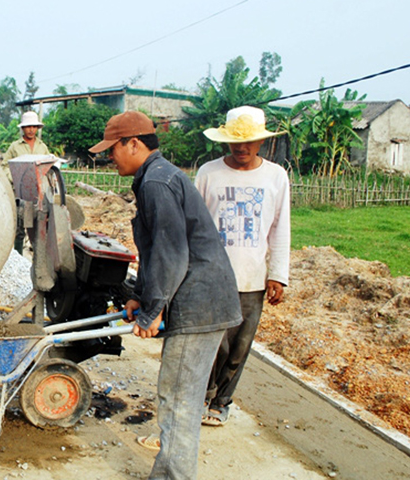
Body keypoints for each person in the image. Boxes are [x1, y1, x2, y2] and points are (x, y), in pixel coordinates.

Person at [88, 111, 242, 480]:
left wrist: (153, 311)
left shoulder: (156, 182)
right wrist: (141, 295)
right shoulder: (156, 177)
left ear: (134, 143)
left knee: (178, 402)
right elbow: (156, 249)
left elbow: (172, 254)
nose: (111, 157)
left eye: (114, 149)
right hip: (198, 297)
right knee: (178, 399)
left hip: (199, 304)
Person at [196, 105, 290, 426]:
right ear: (226, 142)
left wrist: (278, 275)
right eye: (236, 143)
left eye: (249, 142)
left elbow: (280, 228)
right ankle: (203, 393)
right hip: (213, 276)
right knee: (213, 343)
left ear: (261, 142)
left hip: (252, 279)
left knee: (239, 347)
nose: (242, 148)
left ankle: (221, 401)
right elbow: (194, 225)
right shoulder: (209, 173)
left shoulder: (276, 176)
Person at [3, 111, 50, 254]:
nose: (31, 130)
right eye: (28, 127)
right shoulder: (15, 147)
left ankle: (38, 258)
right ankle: (18, 255)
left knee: (37, 226)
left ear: (37, 128)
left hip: (37, 195)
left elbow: (48, 167)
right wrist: (14, 178)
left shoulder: (42, 147)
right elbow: (5, 165)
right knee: (19, 227)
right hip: (19, 194)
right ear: (23, 128)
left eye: (34, 127)